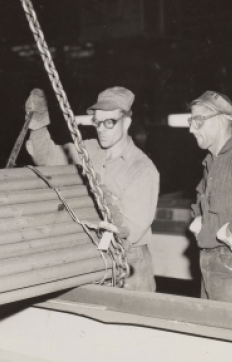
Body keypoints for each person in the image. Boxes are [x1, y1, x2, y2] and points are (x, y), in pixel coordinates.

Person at [25, 87, 159, 292]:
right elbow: (47, 158)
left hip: (130, 263)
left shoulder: (142, 168)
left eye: (109, 122)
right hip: (95, 255)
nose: (101, 129)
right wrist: (39, 125)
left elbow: (129, 230)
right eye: (97, 122)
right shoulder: (87, 150)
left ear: (127, 123)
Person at [188, 90, 232, 301]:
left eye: (198, 121)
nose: (191, 129)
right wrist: (199, 216)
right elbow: (202, 193)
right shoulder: (210, 161)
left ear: (221, 121)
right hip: (209, 260)